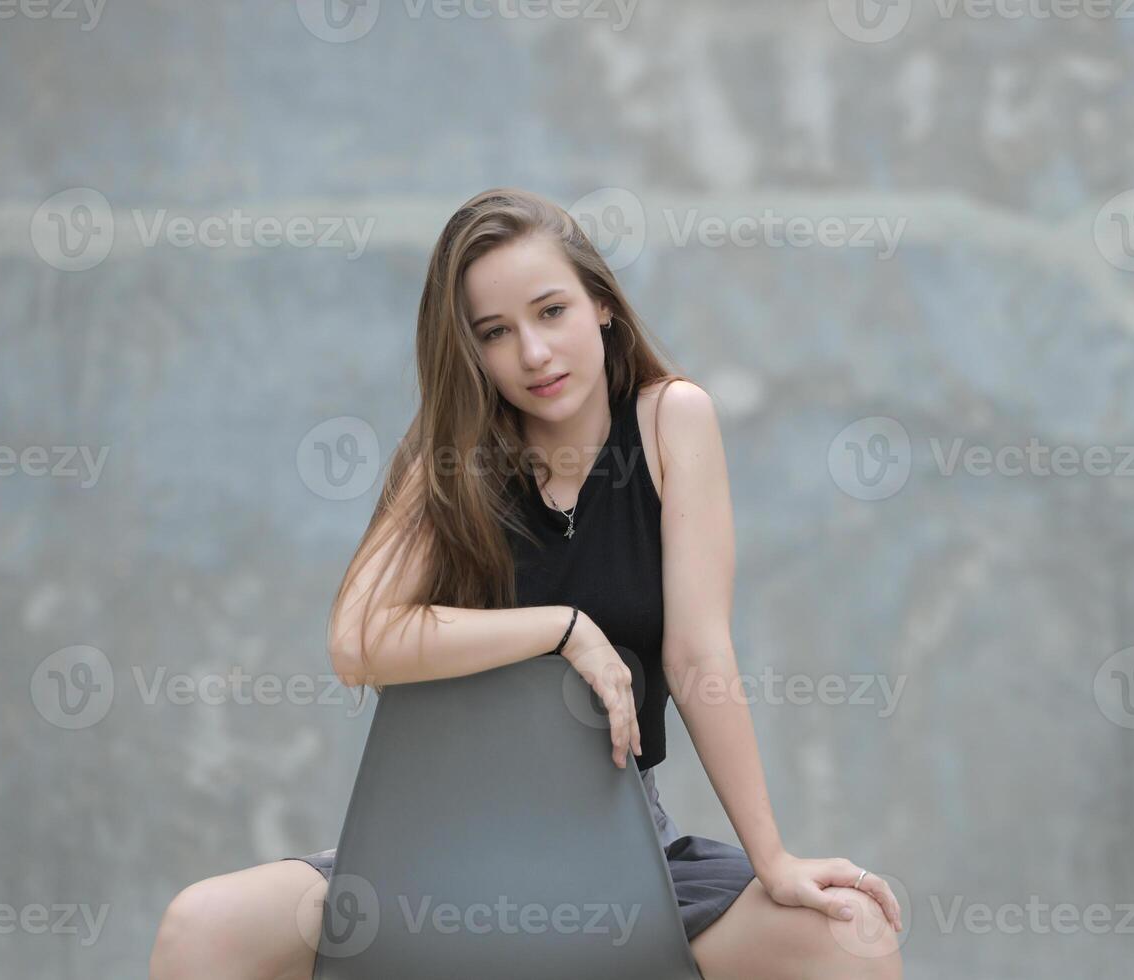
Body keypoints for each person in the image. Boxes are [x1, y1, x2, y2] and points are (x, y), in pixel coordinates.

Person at [148, 188, 904, 979]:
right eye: (495, 333)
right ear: (469, 351)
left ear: (601, 306)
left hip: (616, 845)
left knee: (848, 936)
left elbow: (697, 656)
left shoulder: (671, 421)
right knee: (203, 925)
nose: (534, 353)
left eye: (551, 312)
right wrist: (563, 628)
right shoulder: (447, 459)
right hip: (433, 849)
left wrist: (772, 857)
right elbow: (358, 640)